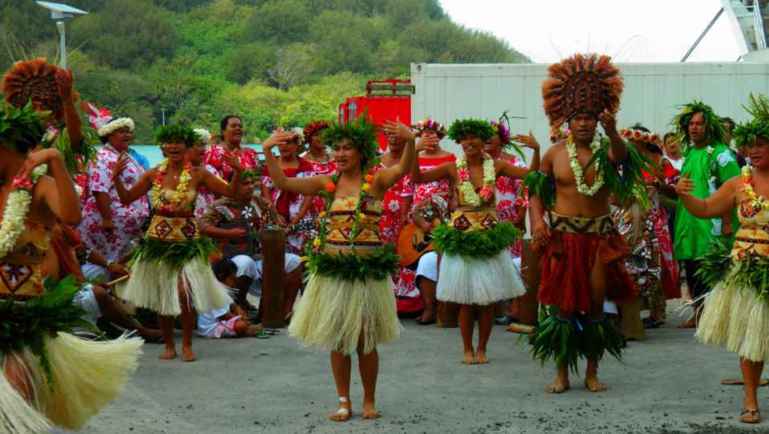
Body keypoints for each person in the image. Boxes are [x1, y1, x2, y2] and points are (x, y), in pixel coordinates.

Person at [0, 101, 142, 433]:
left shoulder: (39, 188)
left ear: (14, 149)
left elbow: (72, 216)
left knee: (17, 395)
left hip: (24, 312)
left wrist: (55, 160)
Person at [265, 117, 414, 422]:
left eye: (347, 148)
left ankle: (369, 399)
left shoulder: (377, 180)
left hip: (366, 273)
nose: (340, 154)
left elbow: (403, 169)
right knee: (339, 339)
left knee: (365, 340)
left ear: (361, 152)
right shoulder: (326, 183)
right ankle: (343, 401)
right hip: (334, 272)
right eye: (337, 149)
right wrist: (268, 151)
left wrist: (410, 140)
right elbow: (283, 183)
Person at [527, 53, 644, 393]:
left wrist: (613, 131)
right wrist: (538, 223)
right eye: (578, 118)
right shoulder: (554, 154)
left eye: (589, 118)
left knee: (594, 306)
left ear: (597, 120)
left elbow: (622, 159)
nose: (583, 124)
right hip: (563, 239)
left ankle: (592, 372)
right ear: (568, 120)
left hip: (597, 240)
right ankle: (561, 374)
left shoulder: (608, 150)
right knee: (563, 309)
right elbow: (535, 193)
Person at [412, 118, 538, 364]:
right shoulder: (452, 168)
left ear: (483, 141)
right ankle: (467, 349)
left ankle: (482, 349)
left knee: (487, 301)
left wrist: (537, 150)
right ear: (460, 142)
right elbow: (417, 178)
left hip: (489, 235)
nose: (469, 142)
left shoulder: (497, 165)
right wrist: (414, 150)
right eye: (465, 138)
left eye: (474, 138)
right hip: (462, 236)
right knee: (467, 301)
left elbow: (532, 176)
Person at [676, 93, 769, 423]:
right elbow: (705, 208)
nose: (754, 150)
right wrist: (685, 196)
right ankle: (750, 398)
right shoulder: (738, 183)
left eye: (761, 144)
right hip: (748, 267)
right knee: (752, 336)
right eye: (749, 145)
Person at [114, 124, 239, 362]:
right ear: (163, 148)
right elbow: (126, 198)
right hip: (158, 242)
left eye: (178, 142)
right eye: (169, 142)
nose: (173, 146)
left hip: (188, 241)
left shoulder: (198, 174)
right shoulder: (153, 174)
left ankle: (187, 344)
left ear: (186, 146)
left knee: (184, 293)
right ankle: (169, 344)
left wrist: (239, 172)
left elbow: (231, 193)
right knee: (163, 295)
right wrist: (116, 178)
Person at [672, 101, 741, 328]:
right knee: (692, 268)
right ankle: (699, 313)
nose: (694, 127)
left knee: (711, 270)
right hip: (689, 222)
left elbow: (734, 189)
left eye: (700, 124)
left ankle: (715, 317)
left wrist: (728, 221)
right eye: (691, 124)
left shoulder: (721, 155)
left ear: (709, 127)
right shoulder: (690, 153)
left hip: (712, 224)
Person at [200, 169, 304, 317]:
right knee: (245, 262)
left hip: (259, 258)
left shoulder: (259, 202)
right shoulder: (219, 205)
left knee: (295, 261)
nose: (250, 187)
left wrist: (278, 227)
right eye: (245, 183)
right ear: (232, 185)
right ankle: (238, 305)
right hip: (229, 263)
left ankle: (284, 311)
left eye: (251, 183)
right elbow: (202, 226)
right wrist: (228, 233)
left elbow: (277, 224)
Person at [619, 125, 681, 328]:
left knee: (655, 266)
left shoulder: (660, 161)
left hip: (654, 220)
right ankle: (633, 312)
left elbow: (677, 189)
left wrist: (660, 185)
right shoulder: (623, 162)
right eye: (630, 141)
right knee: (631, 266)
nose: (631, 145)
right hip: (628, 219)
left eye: (635, 141)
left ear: (644, 141)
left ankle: (657, 312)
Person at [79, 111, 150, 281]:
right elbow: (99, 189)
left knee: (118, 266)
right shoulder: (102, 157)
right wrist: (106, 219)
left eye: (128, 132)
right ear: (109, 135)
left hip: (125, 226)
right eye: (122, 132)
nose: (127, 135)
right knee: (105, 264)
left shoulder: (124, 156)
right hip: (108, 223)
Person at [261, 128, 315, 254]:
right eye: (281, 143)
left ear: (297, 145)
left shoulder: (306, 166)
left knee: (303, 255)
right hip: (275, 216)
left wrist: (296, 220)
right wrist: (275, 215)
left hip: (301, 217)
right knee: (275, 254)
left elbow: (309, 195)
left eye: (289, 142)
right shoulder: (271, 165)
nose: (284, 146)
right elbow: (266, 192)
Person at [197, 259, 264, 339]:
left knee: (241, 320)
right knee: (241, 325)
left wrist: (238, 309)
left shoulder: (222, 288)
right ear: (222, 276)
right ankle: (247, 330)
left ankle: (247, 329)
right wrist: (240, 318)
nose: (235, 281)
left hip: (218, 322)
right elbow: (223, 316)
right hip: (211, 328)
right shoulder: (215, 293)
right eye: (232, 279)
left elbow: (231, 304)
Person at [413, 119, 455, 206]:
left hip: (442, 205)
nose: (428, 136)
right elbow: (411, 182)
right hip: (419, 205)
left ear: (439, 136)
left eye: (432, 133)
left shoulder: (450, 157)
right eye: (425, 134)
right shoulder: (415, 157)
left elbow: (454, 183)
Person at [204, 115, 259, 182]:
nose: (238, 128)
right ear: (223, 131)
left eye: (240, 126)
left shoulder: (250, 153)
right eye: (233, 126)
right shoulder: (212, 152)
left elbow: (257, 179)